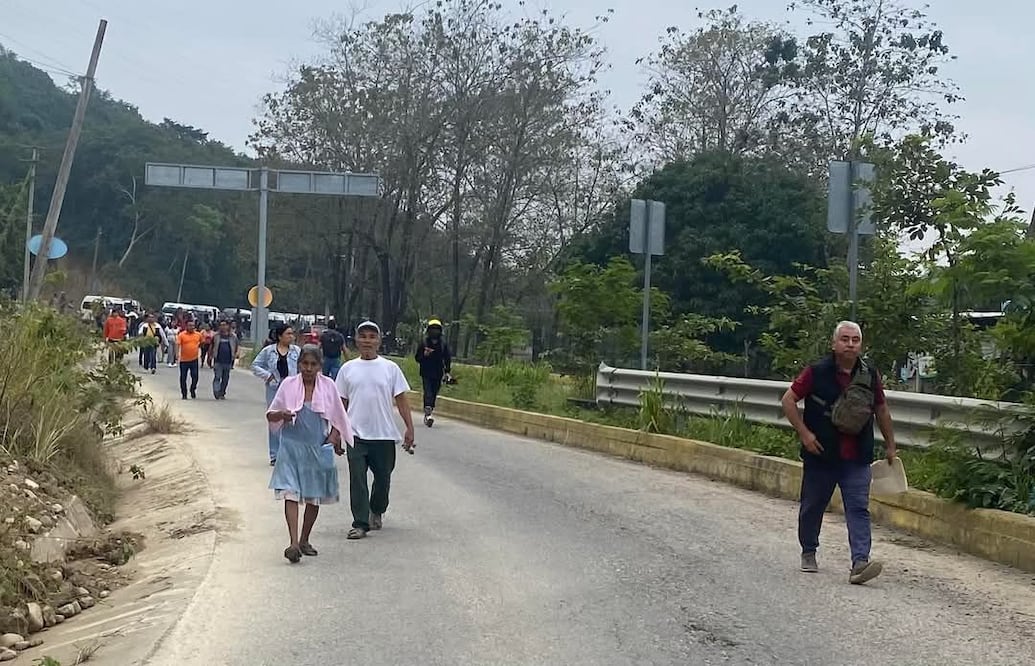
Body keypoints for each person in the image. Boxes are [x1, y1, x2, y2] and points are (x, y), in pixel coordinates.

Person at [781, 320, 897, 585]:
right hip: (821, 453)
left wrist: (890, 443)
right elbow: (788, 400)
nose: (850, 344)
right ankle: (809, 550)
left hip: (857, 455)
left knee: (858, 508)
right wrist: (804, 433)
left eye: (855, 340)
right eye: (845, 339)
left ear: (861, 345)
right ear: (834, 344)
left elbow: (881, 409)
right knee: (813, 505)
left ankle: (860, 562)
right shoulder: (816, 372)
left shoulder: (870, 374)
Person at [267, 345, 353, 563]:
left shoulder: (328, 387)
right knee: (290, 493)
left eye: (313, 364)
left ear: (319, 366)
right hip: (291, 447)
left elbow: (338, 417)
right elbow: (271, 414)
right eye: (304, 364)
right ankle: (293, 543)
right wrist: (283, 415)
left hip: (317, 447)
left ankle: (305, 538)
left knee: (314, 497)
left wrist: (334, 437)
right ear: (299, 365)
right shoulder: (288, 385)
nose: (308, 368)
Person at [335, 321, 415, 540]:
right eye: (363, 336)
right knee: (357, 479)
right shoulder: (347, 369)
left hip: (384, 435)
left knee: (383, 478)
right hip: (356, 435)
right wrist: (336, 432)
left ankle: (377, 509)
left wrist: (409, 428)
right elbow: (340, 403)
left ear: (378, 341)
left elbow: (401, 399)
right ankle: (360, 523)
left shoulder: (390, 368)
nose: (367, 341)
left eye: (372, 336)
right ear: (356, 341)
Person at [252, 324, 301, 465]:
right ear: (280, 336)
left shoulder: (296, 351)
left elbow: (303, 367)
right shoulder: (268, 351)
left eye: (292, 334)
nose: (291, 336)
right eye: (288, 334)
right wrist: (268, 376)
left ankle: (290, 453)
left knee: (292, 418)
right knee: (275, 418)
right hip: (275, 388)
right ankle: (275, 454)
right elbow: (255, 366)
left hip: (292, 388)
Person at [414, 318, 452, 428]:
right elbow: (417, 358)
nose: (435, 331)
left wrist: (447, 372)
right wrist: (424, 355)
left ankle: (429, 410)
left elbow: (447, 358)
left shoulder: (443, 344)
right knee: (428, 392)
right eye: (433, 329)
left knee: (434, 392)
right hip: (426, 372)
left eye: (437, 329)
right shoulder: (424, 343)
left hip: (438, 372)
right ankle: (428, 411)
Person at [209, 319, 240, 400]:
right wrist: (210, 356)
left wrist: (236, 354)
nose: (223, 327)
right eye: (221, 325)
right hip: (218, 360)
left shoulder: (233, 337)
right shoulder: (216, 336)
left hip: (228, 361)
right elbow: (211, 347)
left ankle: (222, 392)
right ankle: (216, 391)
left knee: (225, 378)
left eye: (225, 325)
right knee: (217, 377)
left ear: (228, 326)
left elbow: (236, 346)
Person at [177, 320, 204, 400]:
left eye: (192, 326)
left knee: (195, 377)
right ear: (186, 326)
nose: (191, 327)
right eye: (189, 325)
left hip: (194, 359)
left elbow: (202, 343)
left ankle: (193, 389)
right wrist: (176, 354)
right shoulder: (182, 335)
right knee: (183, 378)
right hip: (184, 360)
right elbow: (177, 344)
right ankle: (184, 394)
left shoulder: (198, 335)